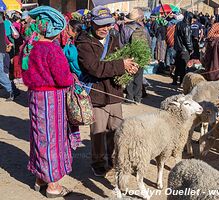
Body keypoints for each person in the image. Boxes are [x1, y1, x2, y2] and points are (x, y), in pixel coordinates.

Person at [76, 5, 138, 176]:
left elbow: (121, 59)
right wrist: (121, 65)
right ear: (92, 23)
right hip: (96, 95)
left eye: (108, 24)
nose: (105, 28)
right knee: (97, 132)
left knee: (116, 131)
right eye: (100, 24)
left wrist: (130, 66)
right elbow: (94, 68)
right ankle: (97, 163)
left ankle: (114, 160)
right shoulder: (83, 42)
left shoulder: (114, 37)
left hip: (114, 93)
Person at [21, 6, 76, 197]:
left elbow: (24, 75)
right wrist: (72, 79)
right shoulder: (52, 49)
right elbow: (63, 78)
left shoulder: (29, 46)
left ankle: (40, 177)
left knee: (39, 136)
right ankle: (53, 185)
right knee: (52, 139)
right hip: (51, 99)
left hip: (35, 97)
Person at [120, 7, 150, 103]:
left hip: (129, 55)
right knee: (139, 77)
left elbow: (121, 43)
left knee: (129, 76)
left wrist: (123, 56)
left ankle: (129, 98)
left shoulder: (125, 29)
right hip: (140, 56)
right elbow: (148, 42)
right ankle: (138, 98)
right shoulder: (144, 29)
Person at [0, 11, 20, 101]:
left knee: (0, 73)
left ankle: (12, 90)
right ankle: (13, 89)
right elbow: (4, 36)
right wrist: (8, 43)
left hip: (1, 50)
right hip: (2, 50)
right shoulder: (2, 23)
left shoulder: (2, 23)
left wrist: (8, 43)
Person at [173, 11, 193, 85]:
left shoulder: (178, 24)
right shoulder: (186, 26)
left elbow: (175, 36)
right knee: (183, 66)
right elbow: (187, 40)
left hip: (178, 47)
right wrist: (190, 49)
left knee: (177, 65)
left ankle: (174, 80)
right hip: (184, 49)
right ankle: (182, 82)